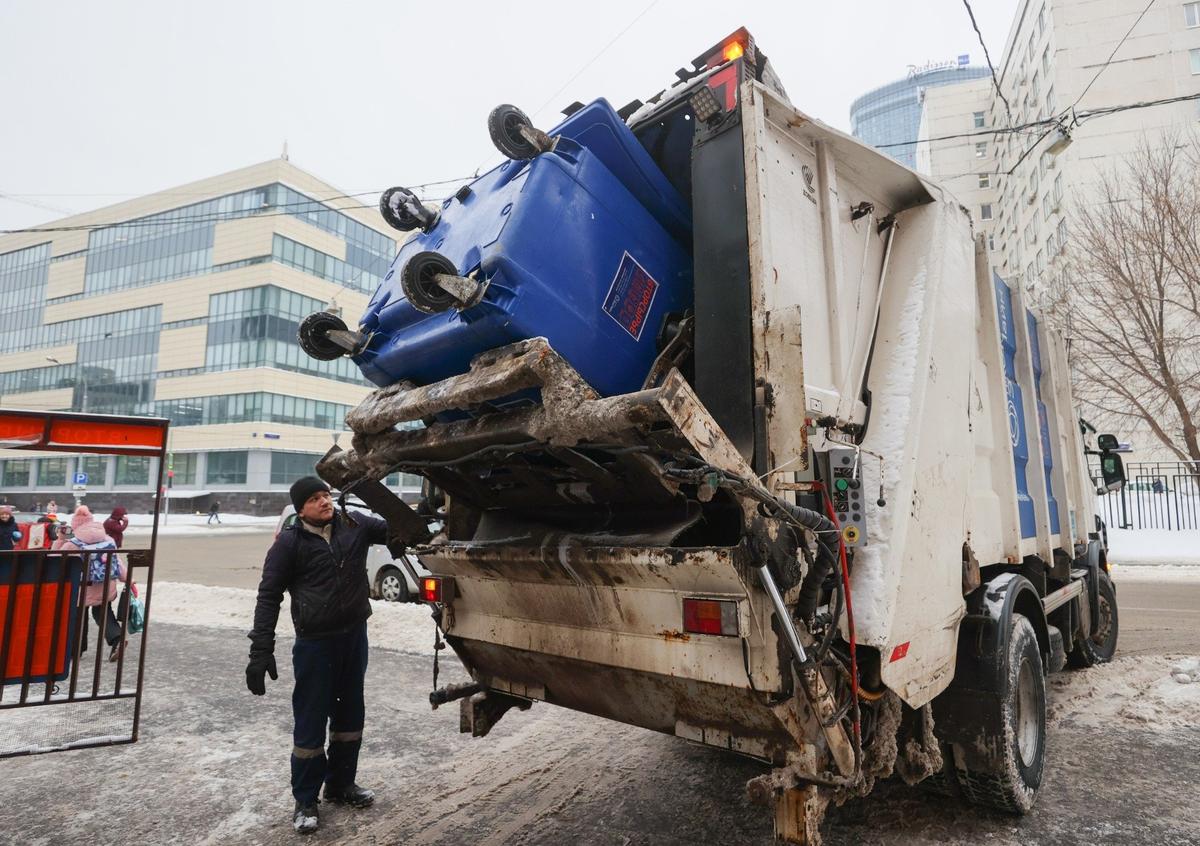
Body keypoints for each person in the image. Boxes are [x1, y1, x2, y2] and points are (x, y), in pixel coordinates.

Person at [246, 477, 386, 834]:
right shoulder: (289, 544)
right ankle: (306, 799)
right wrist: (261, 649)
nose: (325, 501)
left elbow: (396, 532)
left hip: (354, 636)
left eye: (326, 494)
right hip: (315, 644)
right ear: (300, 508)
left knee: (350, 713)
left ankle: (340, 785)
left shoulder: (354, 524)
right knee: (311, 719)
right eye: (314, 498)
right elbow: (268, 596)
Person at [53, 506, 125, 662]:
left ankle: (76, 649)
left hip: (82, 587)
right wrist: (126, 578)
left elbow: (56, 559)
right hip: (105, 585)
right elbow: (117, 562)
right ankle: (117, 638)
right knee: (102, 612)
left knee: (79, 616)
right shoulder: (108, 540)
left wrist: (60, 540)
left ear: (75, 526)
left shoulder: (73, 543)